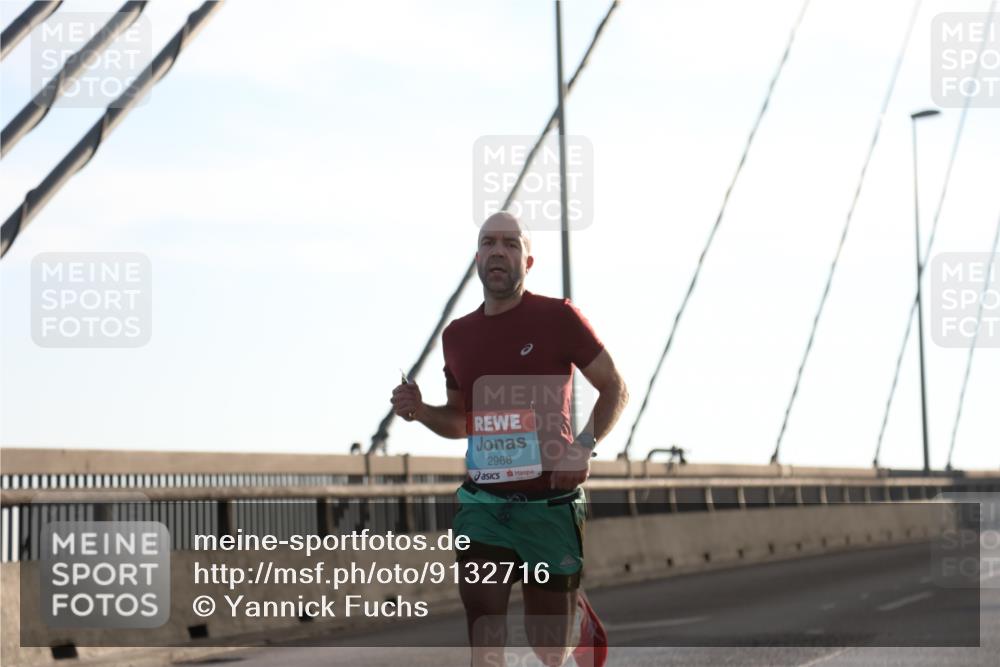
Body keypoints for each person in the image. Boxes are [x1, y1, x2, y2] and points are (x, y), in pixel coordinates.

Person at [391, 211, 628, 667]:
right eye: (488, 243)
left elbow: (616, 387)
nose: (498, 251)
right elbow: (462, 421)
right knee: (484, 626)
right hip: (484, 505)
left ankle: (574, 616)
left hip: (548, 504)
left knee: (547, 648)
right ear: (477, 258)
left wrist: (582, 447)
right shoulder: (457, 336)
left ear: (528, 260)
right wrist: (420, 412)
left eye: (510, 243)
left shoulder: (558, 318)